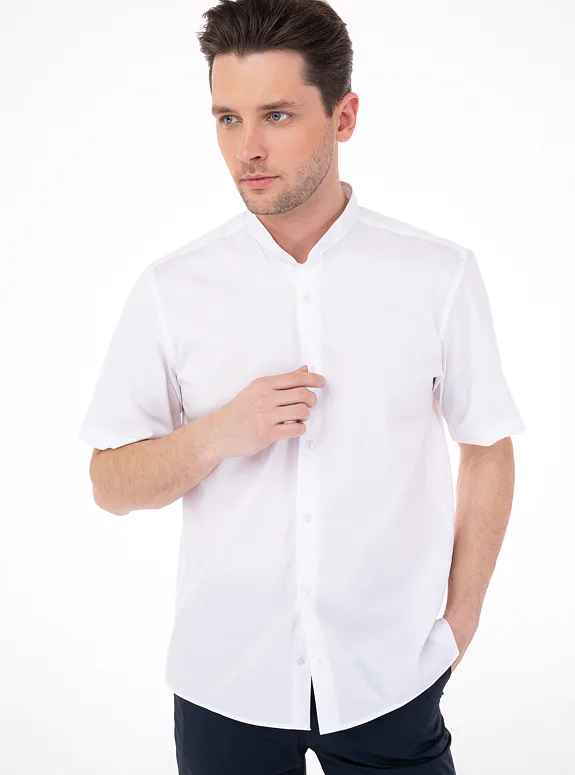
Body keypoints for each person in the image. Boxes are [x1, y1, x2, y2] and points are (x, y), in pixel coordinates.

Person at [78, 0, 527, 772]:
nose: (246, 148)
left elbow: (486, 444)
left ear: (342, 116)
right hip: (226, 682)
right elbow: (109, 483)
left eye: (276, 115)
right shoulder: (171, 289)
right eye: (227, 118)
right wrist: (217, 434)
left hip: (389, 676)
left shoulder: (437, 275)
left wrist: (460, 622)